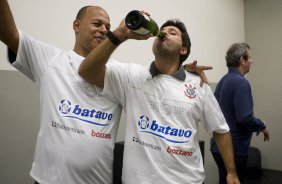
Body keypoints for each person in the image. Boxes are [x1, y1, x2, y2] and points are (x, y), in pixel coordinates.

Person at [0, 2, 211, 183]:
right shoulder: (48, 59)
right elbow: (7, 32)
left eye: (108, 27)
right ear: (76, 25)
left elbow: (163, 76)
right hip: (49, 179)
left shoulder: (117, 74)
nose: (103, 29)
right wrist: (118, 33)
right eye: (97, 24)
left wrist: (183, 72)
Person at [78, 13, 240, 184]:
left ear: (183, 50)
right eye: (162, 30)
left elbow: (220, 130)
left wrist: (231, 172)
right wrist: (119, 34)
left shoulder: (199, 86)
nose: (164, 33)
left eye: (173, 32)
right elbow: (87, 71)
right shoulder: (131, 76)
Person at [210, 42, 270, 184]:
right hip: (234, 150)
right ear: (242, 61)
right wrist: (262, 126)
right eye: (249, 58)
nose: (252, 61)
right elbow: (245, 118)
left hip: (218, 148)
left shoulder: (223, 81)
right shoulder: (241, 82)